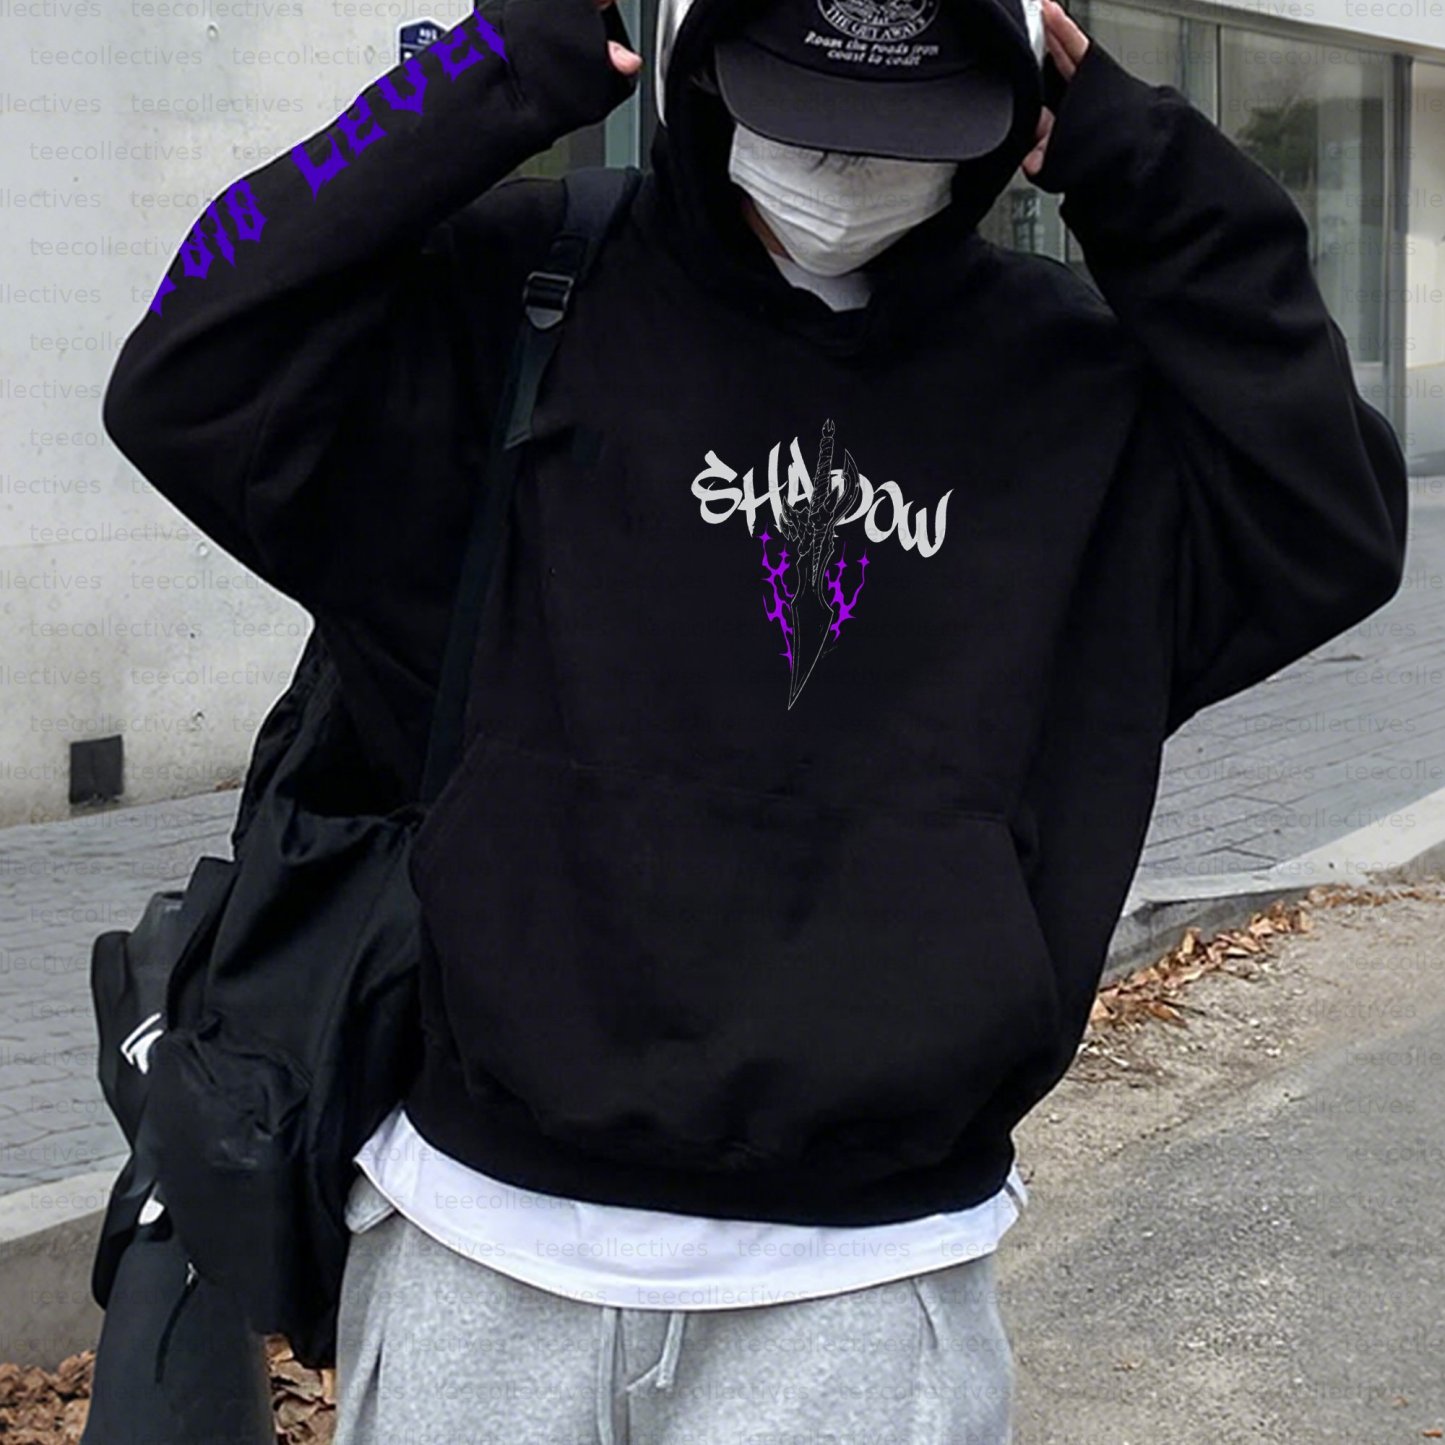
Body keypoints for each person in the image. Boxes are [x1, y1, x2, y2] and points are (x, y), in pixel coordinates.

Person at [100, 0, 1409, 1434]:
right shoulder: (530, 291)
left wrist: (1134, 158)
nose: (845, 169)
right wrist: (501, 66)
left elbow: (1330, 517)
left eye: (898, 127)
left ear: (996, 109)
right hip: (479, 1246)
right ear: (710, 67)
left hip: (863, 1287)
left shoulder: (1075, 388)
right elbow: (191, 366)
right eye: (809, 110)